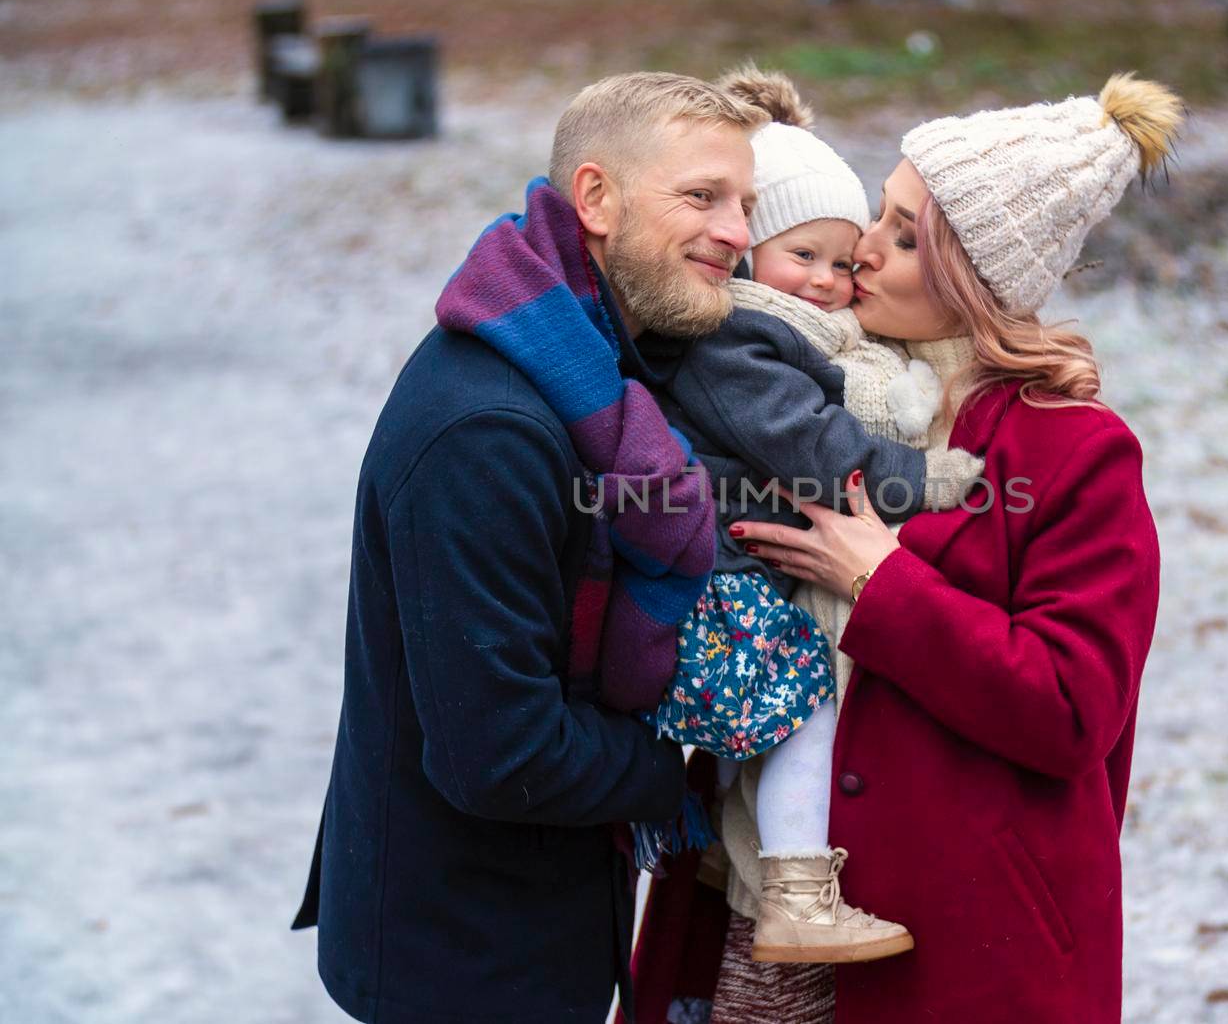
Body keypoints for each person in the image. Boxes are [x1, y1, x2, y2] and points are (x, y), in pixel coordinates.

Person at [630, 73, 1177, 1024]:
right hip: (753, 903)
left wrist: (880, 582)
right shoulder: (799, 391)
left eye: (903, 235)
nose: (862, 253)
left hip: (960, 939)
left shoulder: (1072, 450)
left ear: (977, 275)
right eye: (876, 217)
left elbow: (1070, 708)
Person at [291, 71, 766, 1024]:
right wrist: (673, 775)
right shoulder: (491, 429)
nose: (739, 233)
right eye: (703, 197)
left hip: (532, 918)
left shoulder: (584, 365)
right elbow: (498, 752)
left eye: (747, 203)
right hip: (464, 959)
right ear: (596, 198)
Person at [632, 65, 983, 966]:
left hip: (741, 570)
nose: (828, 281)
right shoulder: (737, 340)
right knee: (806, 706)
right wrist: (928, 478)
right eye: (803, 257)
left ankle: (755, 874)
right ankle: (794, 892)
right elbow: (820, 456)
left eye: (842, 258)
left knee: (790, 713)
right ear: (750, 254)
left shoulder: (782, 326)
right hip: (726, 579)